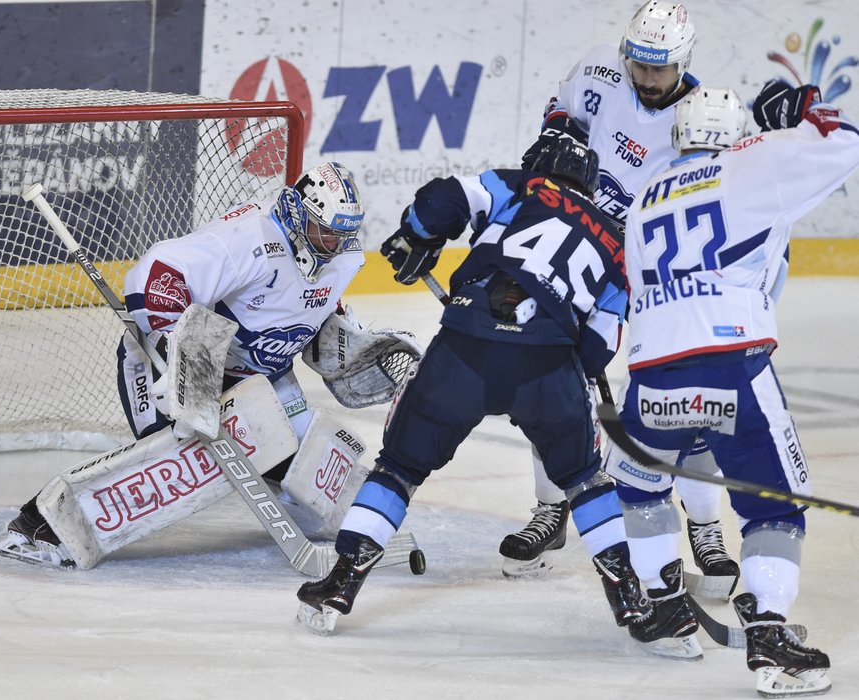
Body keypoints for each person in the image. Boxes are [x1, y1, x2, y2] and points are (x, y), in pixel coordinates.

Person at [294, 136, 650, 636]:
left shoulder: (521, 185)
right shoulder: (616, 247)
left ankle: (341, 581)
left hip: (466, 348)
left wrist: (418, 237)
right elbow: (597, 349)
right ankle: (628, 596)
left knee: (398, 469)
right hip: (548, 367)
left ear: (541, 167)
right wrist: (550, 374)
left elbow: (441, 201)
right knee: (585, 480)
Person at [0, 161, 418, 568]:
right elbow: (155, 276)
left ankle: (362, 527)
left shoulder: (340, 255)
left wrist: (343, 337)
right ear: (296, 213)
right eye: (325, 232)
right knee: (174, 463)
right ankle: (41, 524)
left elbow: (315, 307)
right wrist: (186, 366)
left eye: (342, 235)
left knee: (312, 457)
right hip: (175, 365)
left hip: (261, 381)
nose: (334, 244)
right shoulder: (248, 240)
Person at [604, 82, 857, 692]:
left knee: (641, 488)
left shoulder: (643, 200)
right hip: (731, 363)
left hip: (653, 369)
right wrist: (800, 117)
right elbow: (845, 145)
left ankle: (663, 610)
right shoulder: (750, 163)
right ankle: (768, 636)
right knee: (774, 506)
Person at [503, 0, 739, 591]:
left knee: (685, 397)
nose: (647, 78)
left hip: (656, 273)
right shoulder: (598, 70)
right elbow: (557, 127)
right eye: (639, 64)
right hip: (581, 252)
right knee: (551, 378)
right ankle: (551, 504)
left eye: (660, 69)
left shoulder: (701, 117)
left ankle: (705, 524)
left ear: (683, 62)